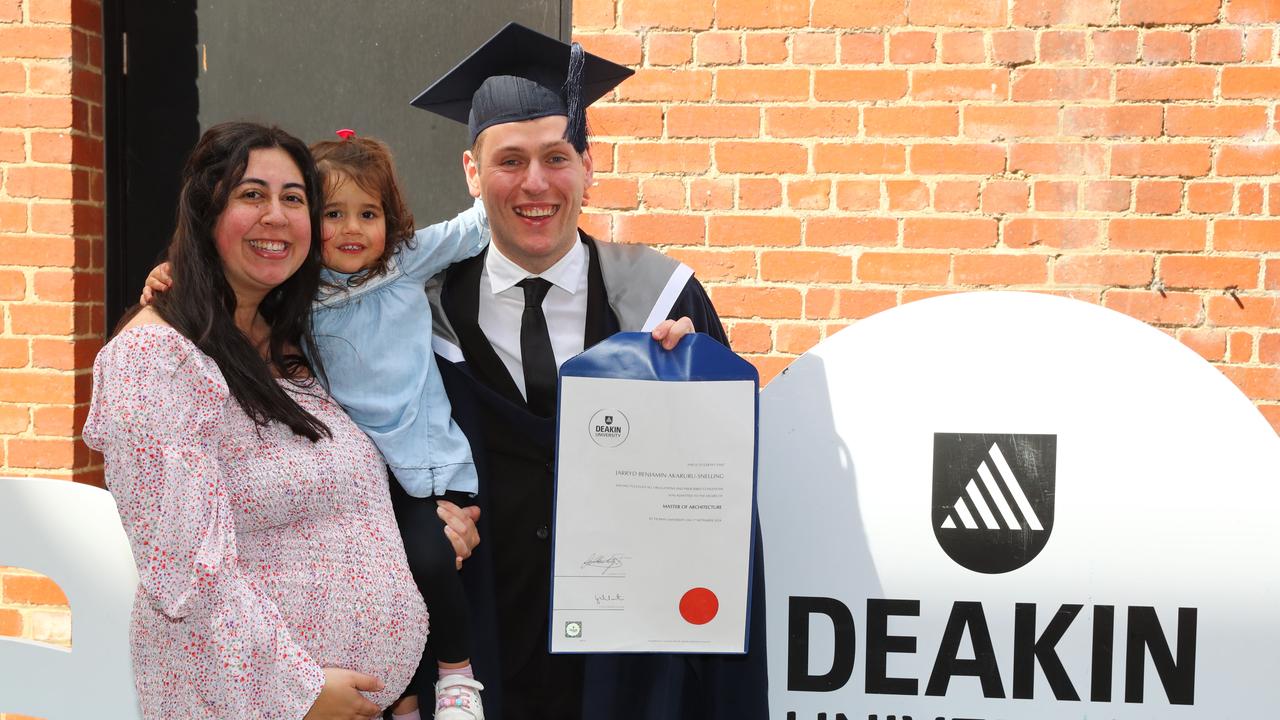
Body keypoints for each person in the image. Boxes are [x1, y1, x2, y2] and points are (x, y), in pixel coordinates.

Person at [409, 22, 770, 720]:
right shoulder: (416, 319)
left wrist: (696, 385)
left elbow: (720, 512)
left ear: (589, 167)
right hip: (475, 657)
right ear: (470, 173)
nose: (536, 183)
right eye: (509, 160)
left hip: (631, 668)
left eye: (557, 156)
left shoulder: (665, 303)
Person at [141, 131, 494, 720]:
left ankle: (444, 682)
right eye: (332, 213)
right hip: (263, 698)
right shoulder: (181, 348)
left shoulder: (354, 288)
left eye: (367, 214)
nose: (350, 229)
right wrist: (296, 690)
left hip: (424, 475)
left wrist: (488, 170)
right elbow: (186, 576)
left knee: (429, 561)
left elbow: (472, 229)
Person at [84, 121, 428, 719]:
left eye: (293, 198)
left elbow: (327, 500)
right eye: (251, 195)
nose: (276, 216)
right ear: (203, 210)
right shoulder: (154, 360)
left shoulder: (294, 344)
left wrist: (428, 518)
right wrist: (299, 691)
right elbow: (187, 575)